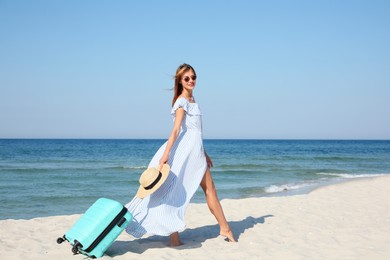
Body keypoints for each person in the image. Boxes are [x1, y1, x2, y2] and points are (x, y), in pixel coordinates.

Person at [126, 63, 236, 246]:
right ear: (180, 81)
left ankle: (219, 229)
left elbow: (193, 132)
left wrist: (205, 153)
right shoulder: (181, 102)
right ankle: (210, 230)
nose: (191, 81)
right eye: (187, 78)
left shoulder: (193, 100)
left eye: (193, 77)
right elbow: (176, 130)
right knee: (177, 192)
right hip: (183, 153)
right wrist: (166, 155)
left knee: (204, 190)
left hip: (195, 152)